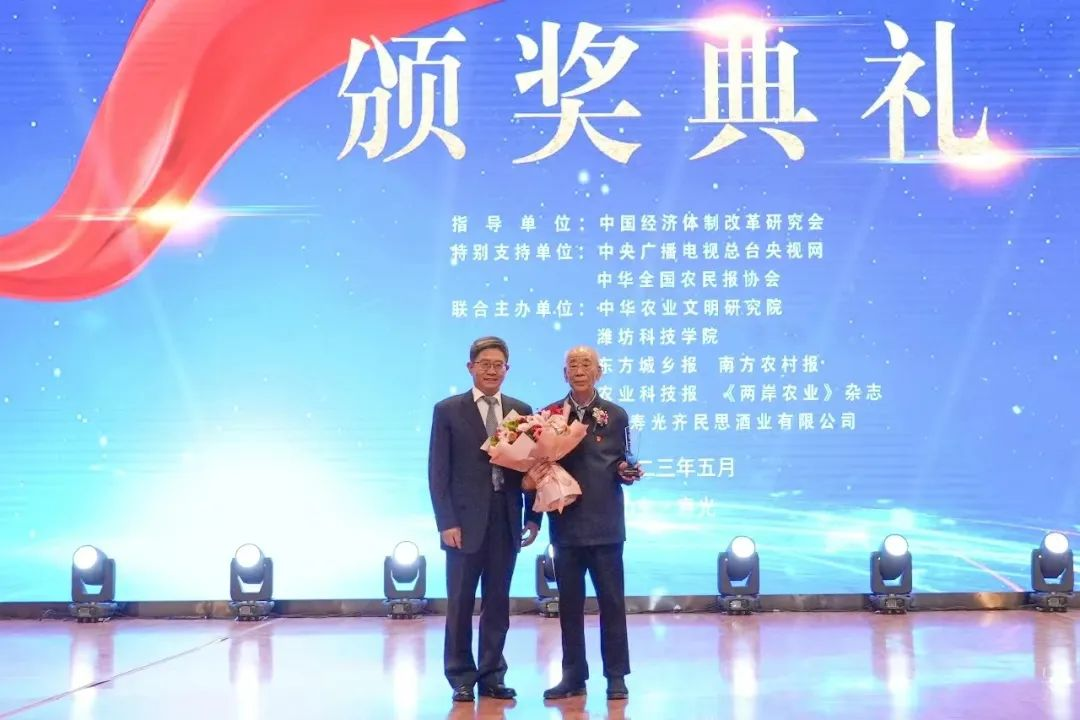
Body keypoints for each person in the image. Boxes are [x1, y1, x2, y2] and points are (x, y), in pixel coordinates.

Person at [428, 336, 542, 703]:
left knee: (497, 602)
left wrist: (533, 517)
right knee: (460, 603)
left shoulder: (521, 411)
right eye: (485, 364)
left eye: (498, 365)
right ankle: (461, 676)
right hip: (463, 524)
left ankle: (492, 674)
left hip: (505, 520)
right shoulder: (448, 410)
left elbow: (530, 468)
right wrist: (446, 522)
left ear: (507, 370)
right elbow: (438, 472)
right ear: (471, 368)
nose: (492, 371)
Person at [542, 345, 641, 702]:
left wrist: (627, 472)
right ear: (564, 373)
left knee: (612, 604)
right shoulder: (549, 416)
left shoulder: (615, 415)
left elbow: (622, 462)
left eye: (587, 364)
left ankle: (616, 676)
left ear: (599, 372)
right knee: (568, 606)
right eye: (573, 364)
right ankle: (573, 676)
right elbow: (538, 467)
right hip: (565, 524)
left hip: (606, 525)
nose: (579, 369)